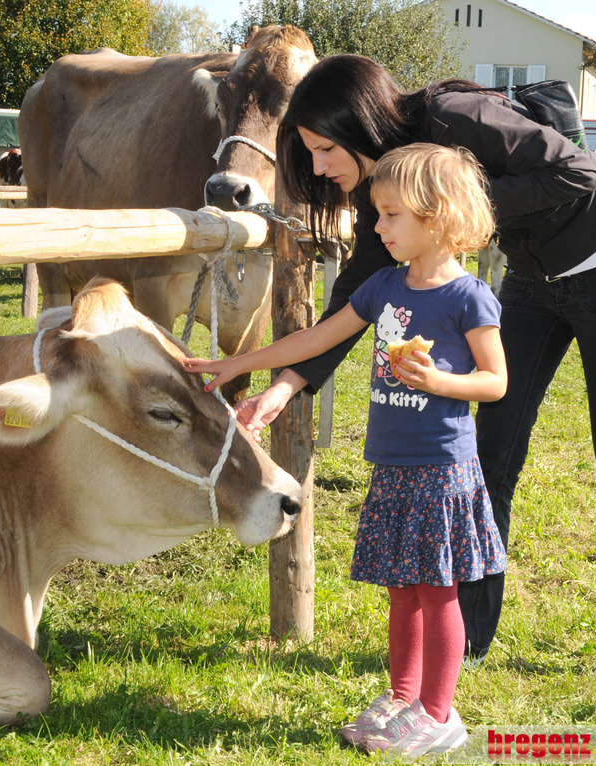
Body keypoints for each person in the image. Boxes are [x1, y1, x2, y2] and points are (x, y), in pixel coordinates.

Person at [236, 54, 596, 688]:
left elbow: (578, 176)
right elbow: (355, 297)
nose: (317, 167)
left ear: (357, 120)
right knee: (488, 459)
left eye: (321, 148)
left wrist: (449, 205)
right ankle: (469, 641)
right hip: (536, 282)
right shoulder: (389, 194)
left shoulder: (452, 118)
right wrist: (288, 383)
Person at [184, 144, 508, 758]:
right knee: (400, 587)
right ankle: (402, 695)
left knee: (437, 590)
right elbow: (313, 339)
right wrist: (237, 363)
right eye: (376, 214)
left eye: (390, 215)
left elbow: (496, 382)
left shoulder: (469, 298)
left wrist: (439, 382)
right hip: (391, 465)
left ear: (437, 215)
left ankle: (439, 715)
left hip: (442, 467)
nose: (377, 227)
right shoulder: (385, 286)